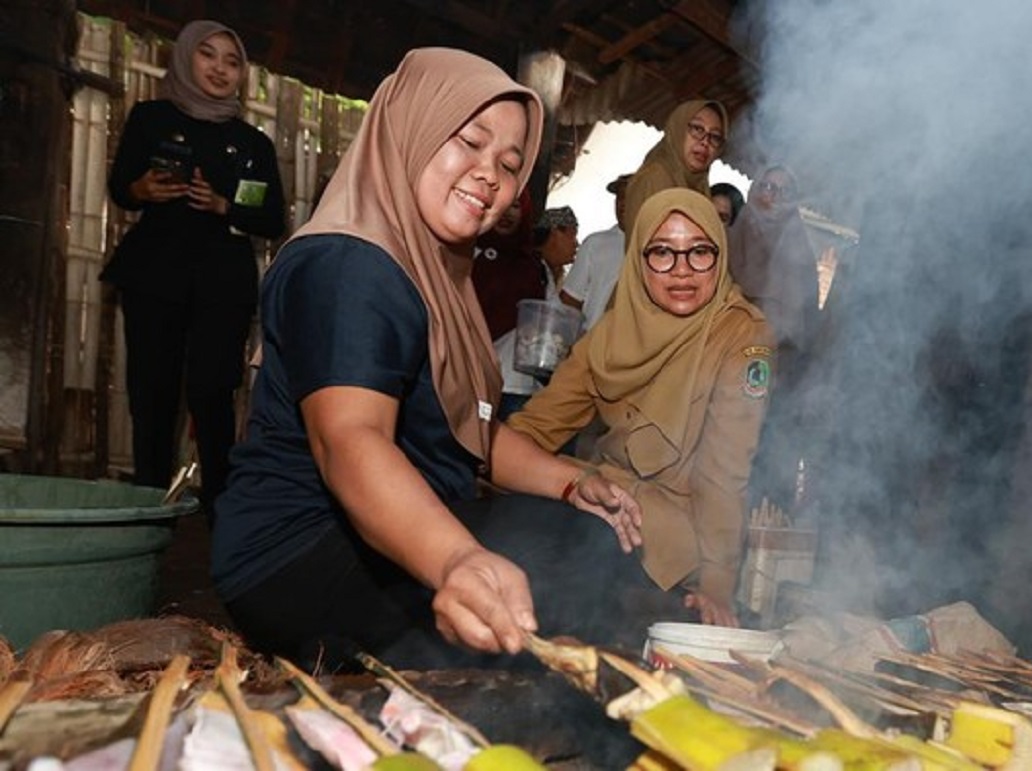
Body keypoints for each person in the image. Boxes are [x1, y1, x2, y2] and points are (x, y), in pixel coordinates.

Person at [210, 48, 643, 671]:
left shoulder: (435, 269)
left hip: (375, 527)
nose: (488, 174)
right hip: (296, 552)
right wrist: (456, 562)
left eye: (508, 163)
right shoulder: (350, 264)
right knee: (554, 563)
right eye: (468, 142)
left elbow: (471, 429)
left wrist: (571, 482)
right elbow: (350, 442)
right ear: (411, 128)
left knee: (575, 538)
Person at [508, 188, 774, 630]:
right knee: (518, 540)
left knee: (575, 584)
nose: (682, 271)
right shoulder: (616, 329)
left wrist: (718, 585)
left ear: (720, 253)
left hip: (680, 540)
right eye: (662, 253)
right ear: (638, 260)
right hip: (605, 508)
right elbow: (537, 425)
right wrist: (495, 459)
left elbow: (723, 473)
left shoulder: (743, 337)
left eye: (700, 252)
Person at [101, 20, 286, 519]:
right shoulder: (151, 118)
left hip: (222, 282)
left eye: (232, 61)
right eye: (209, 56)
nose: (220, 69)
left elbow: (273, 218)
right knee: (151, 390)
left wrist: (226, 206)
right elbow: (120, 187)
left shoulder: (252, 144)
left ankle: (220, 506)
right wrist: (143, 189)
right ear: (186, 58)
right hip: (154, 273)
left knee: (212, 390)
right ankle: (146, 503)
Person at [727, 165, 821, 513]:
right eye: (765, 185)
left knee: (762, 478)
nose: (770, 195)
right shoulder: (729, 240)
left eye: (781, 191)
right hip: (719, 373)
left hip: (776, 385)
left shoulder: (799, 256)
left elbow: (803, 330)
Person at [493, 206, 580, 419]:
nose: (576, 244)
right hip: (511, 381)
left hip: (511, 379)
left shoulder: (542, 272)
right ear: (553, 233)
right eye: (572, 235)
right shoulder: (530, 271)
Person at [622, 100, 728, 236]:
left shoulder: (699, 187)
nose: (705, 142)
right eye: (697, 129)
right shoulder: (656, 178)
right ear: (678, 129)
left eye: (715, 137)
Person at [560, 174, 629, 329]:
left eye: (630, 196)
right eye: (619, 197)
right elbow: (570, 301)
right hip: (591, 344)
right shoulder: (596, 244)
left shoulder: (659, 246)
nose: (623, 204)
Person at [471, 191, 537, 342]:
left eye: (515, 206)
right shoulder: (465, 253)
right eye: (500, 204)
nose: (507, 213)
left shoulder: (534, 266)